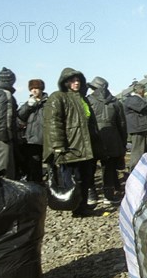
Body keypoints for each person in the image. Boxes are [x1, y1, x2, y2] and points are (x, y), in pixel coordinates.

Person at [43, 68, 102, 217]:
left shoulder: (83, 98)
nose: (76, 83)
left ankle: (81, 207)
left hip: (86, 147)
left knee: (86, 178)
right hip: (71, 147)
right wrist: (58, 145)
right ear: (65, 82)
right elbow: (54, 122)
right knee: (75, 180)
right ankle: (76, 209)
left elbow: (91, 123)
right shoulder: (58, 97)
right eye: (72, 80)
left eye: (78, 80)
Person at [87, 76, 127, 204]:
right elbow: (122, 124)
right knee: (108, 168)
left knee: (90, 167)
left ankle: (91, 195)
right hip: (112, 138)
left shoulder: (88, 101)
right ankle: (108, 196)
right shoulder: (115, 102)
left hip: (93, 138)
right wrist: (123, 142)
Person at [17, 79, 48, 183]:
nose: (34, 91)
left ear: (41, 89)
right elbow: (20, 116)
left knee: (51, 165)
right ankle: (37, 185)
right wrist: (28, 106)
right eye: (32, 89)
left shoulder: (49, 102)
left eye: (36, 88)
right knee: (34, 166)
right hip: (32, 140)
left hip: (47, 138)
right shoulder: (28, 104)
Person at [123, 81, 147, 170]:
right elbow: (145, 106)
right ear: (141, 90)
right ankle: (134, 171)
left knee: (142, 151)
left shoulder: (132, 99)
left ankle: (141, 170)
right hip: (137, 128)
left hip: (139, 128)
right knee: (137, 152)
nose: (144, 92)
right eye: (144, 90)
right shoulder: (133, 99)